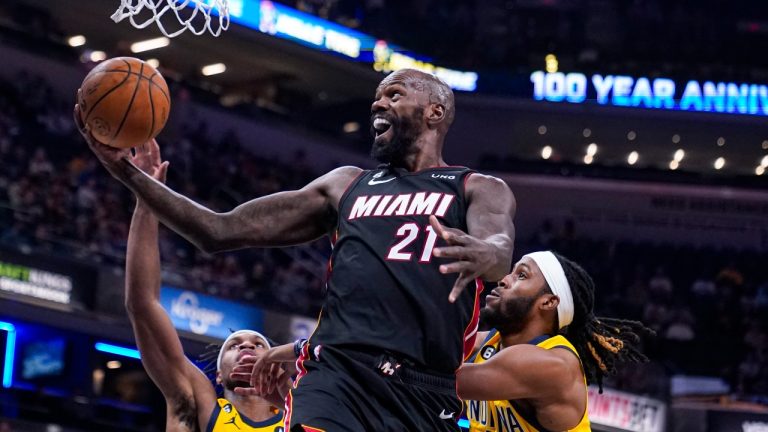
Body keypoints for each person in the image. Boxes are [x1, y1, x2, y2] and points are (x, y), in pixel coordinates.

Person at [77, 68, 516, 431]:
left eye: (394, 95)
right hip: (338, 376)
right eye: (376, 98)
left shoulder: (476, 187)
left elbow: (499, 248)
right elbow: (218, 230)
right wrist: (128, 175)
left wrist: (485, 254)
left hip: (424, 387)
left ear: (435, 111)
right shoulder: (346, 185)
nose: (378, 105)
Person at [124, 140, 286, 431]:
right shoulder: (198, 406)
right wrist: (146, 201)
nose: (246, 346)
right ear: (219, 376)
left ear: (276, 366)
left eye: (258, 345)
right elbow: (143, 305)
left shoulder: (302, 417)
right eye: (234, 346)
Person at [457, 251, 653, 431]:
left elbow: (446, 379)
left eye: (522, 275)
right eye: (511, 273)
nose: (503, 280)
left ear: (548, 302)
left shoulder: (553, 366)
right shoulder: (486, 343)